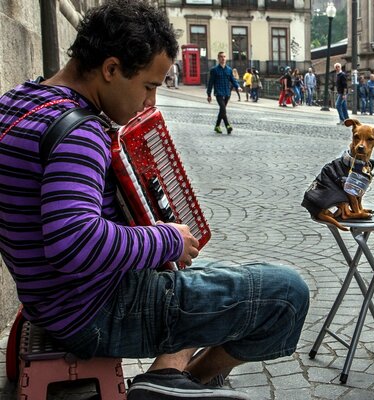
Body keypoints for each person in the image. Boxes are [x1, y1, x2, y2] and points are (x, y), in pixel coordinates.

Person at [0, 3, 310, 400]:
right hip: (95, 312)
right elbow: (73, 242)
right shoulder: (80, 132)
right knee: (287, 293)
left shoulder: (20, 101)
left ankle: (165, 376)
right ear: (110, 69)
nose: (152, 103)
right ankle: (189, 382)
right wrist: (167, 239)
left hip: (53, 301)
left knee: (215, 274)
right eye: (149, 86)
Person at [207, 52, 240, 134]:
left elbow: (233, 80)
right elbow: (210, 83)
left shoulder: (229, 70)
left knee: (222, 110)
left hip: (227, 93)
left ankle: (217, 126)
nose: (223, 58)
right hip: (218, 92)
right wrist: (209, 94)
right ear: (218, 58)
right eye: (221, 57)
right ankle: (227, 125)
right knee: (223, 108)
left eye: (224, 57)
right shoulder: (214, 70)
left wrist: (237, 86)